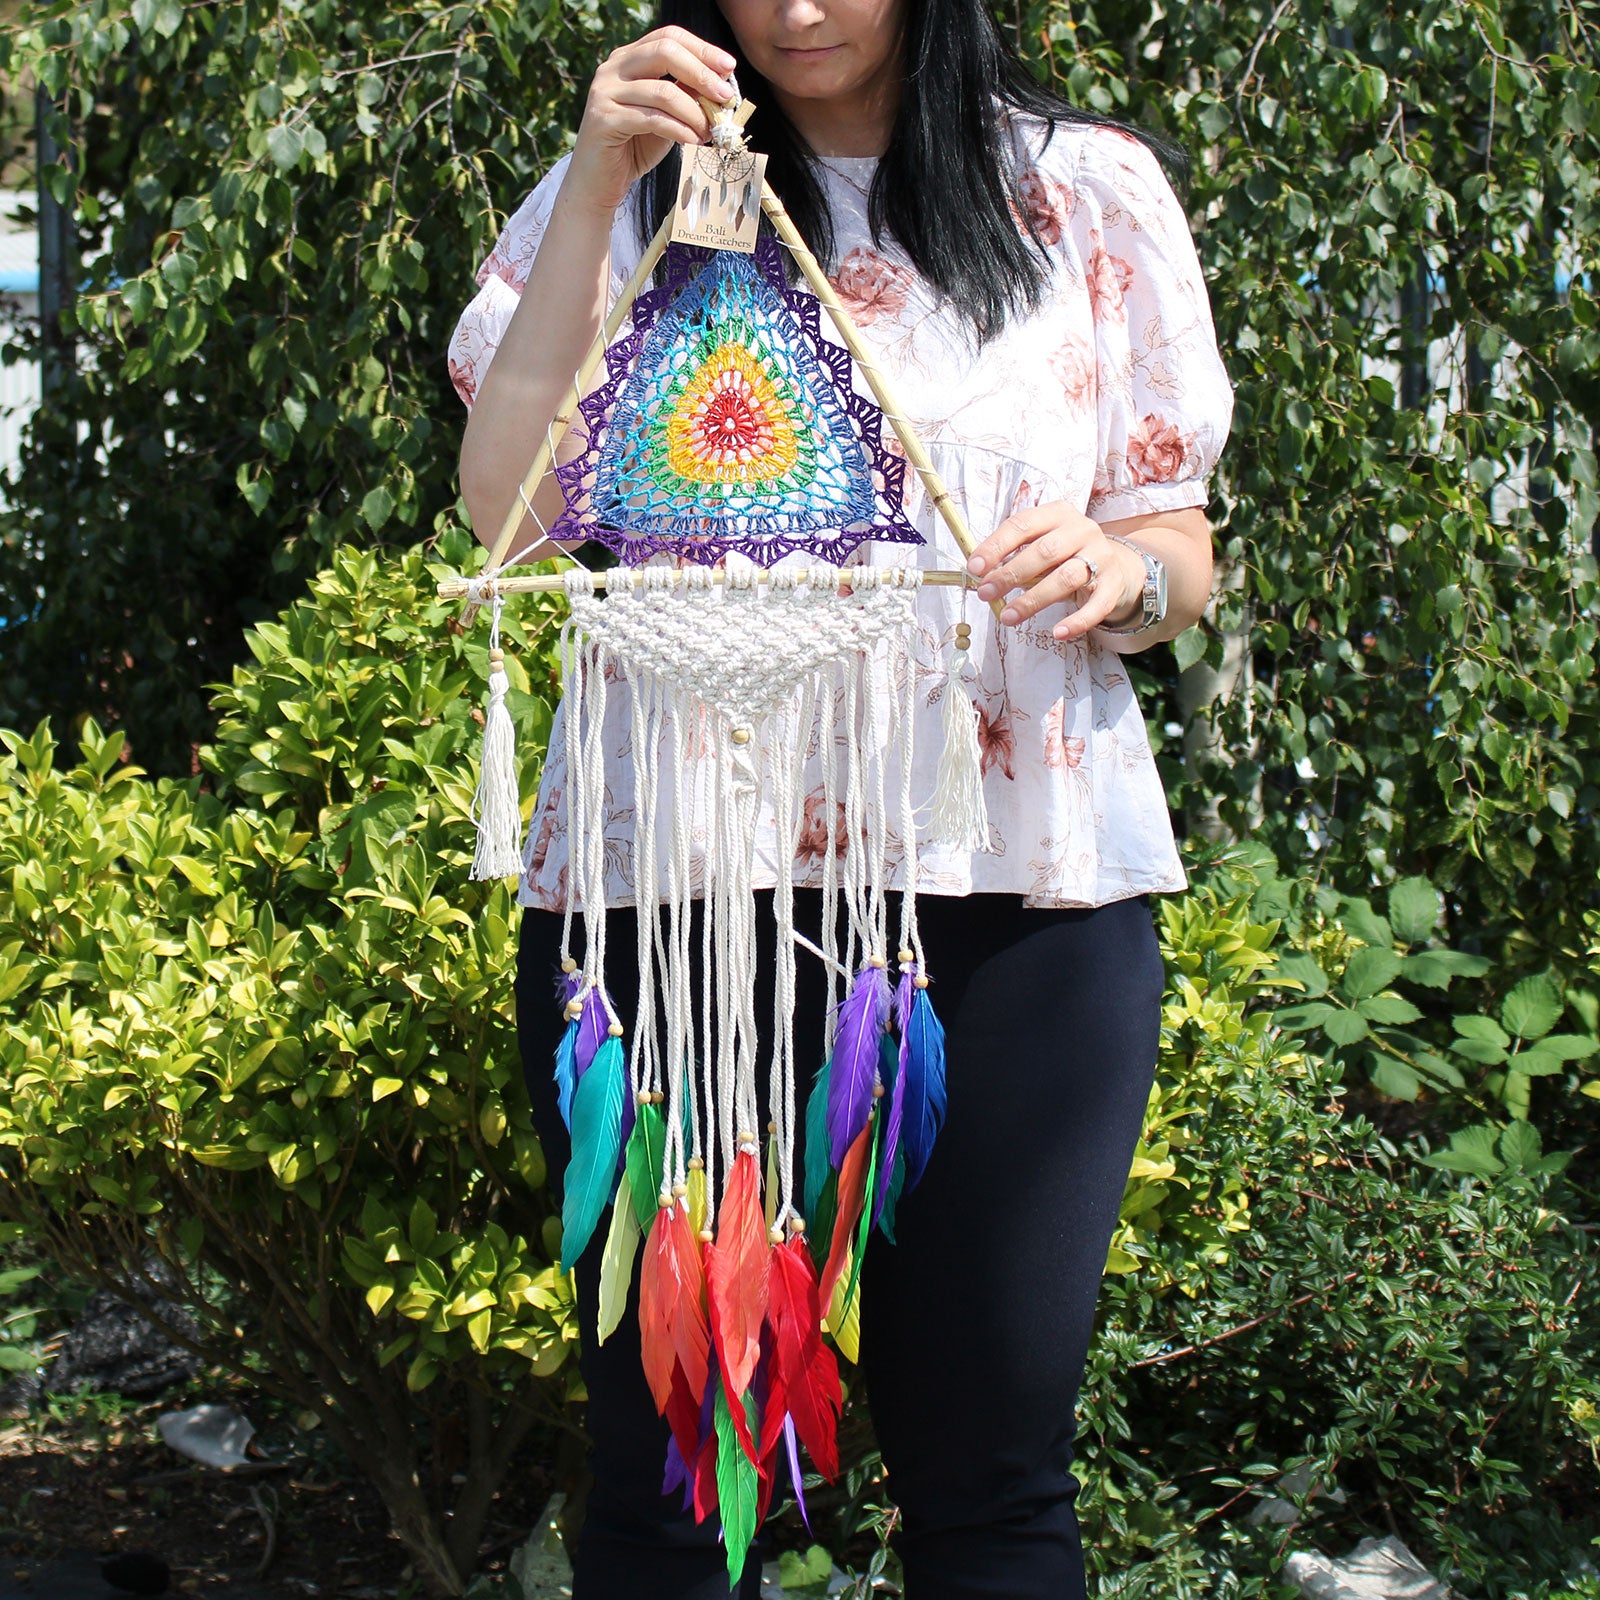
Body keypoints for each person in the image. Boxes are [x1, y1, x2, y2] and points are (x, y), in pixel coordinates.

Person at [448, 2, 1232, 1595]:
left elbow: (1176, 549)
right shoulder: (633, 188)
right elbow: (508, 521)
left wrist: (1120, 568)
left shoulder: (1083, 194)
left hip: (1017, 888)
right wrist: (604, 175)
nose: (798, 10)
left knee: (992, 1479)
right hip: (669, 899)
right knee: (670, 1479)